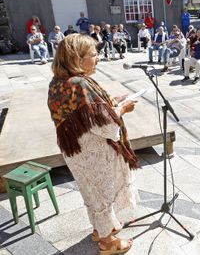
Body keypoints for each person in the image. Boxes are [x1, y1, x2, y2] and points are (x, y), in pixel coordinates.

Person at [47, 34, 138, 255]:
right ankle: (108, 243)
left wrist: (111, 101)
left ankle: (100, 230)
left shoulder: (58, 82)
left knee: (91, 193)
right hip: (94, 152)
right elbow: (106, 127)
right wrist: (122, 108)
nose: (97, 58)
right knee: (103, 195)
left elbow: (85, 112)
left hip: (76, 151)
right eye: (93, 54)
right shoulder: (80, 84)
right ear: (77, 58)